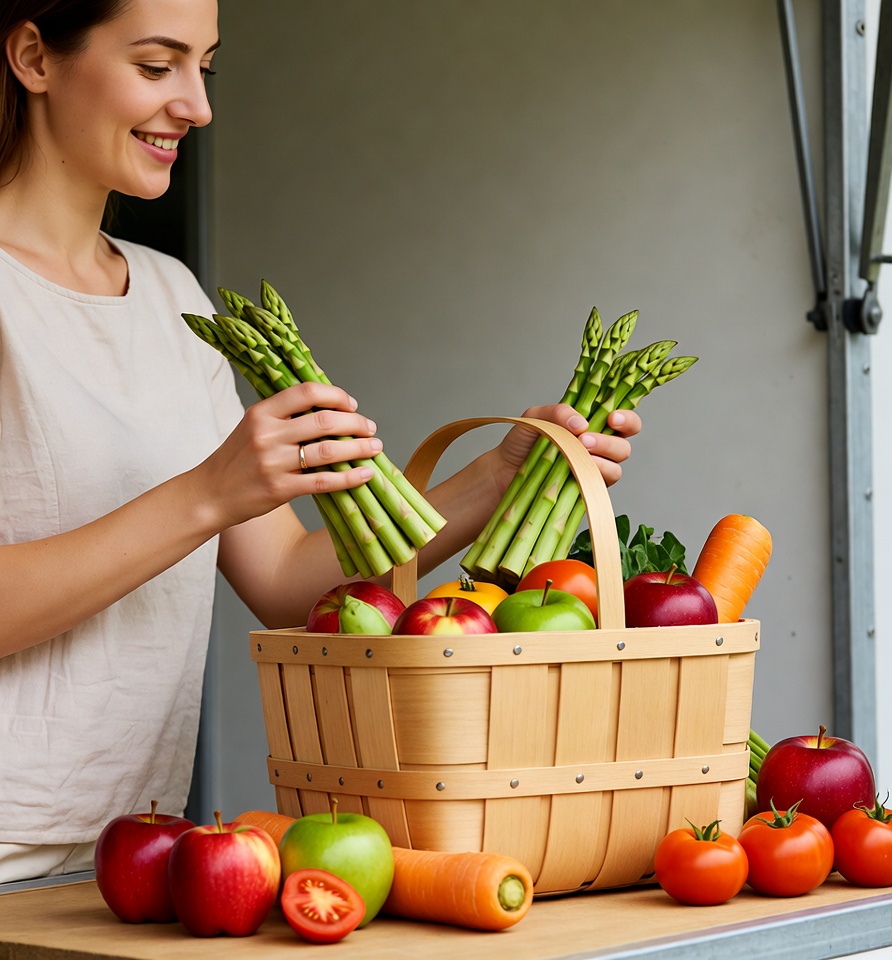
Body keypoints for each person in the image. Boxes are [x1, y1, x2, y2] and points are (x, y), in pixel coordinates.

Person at [0, 0, 641, 885]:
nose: (196, 106)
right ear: (34, 55)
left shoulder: (167, 295)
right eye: (157, 67)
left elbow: (286, 584)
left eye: (205, 69)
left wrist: (498, 476)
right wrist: (211, 492)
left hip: (133, 859)